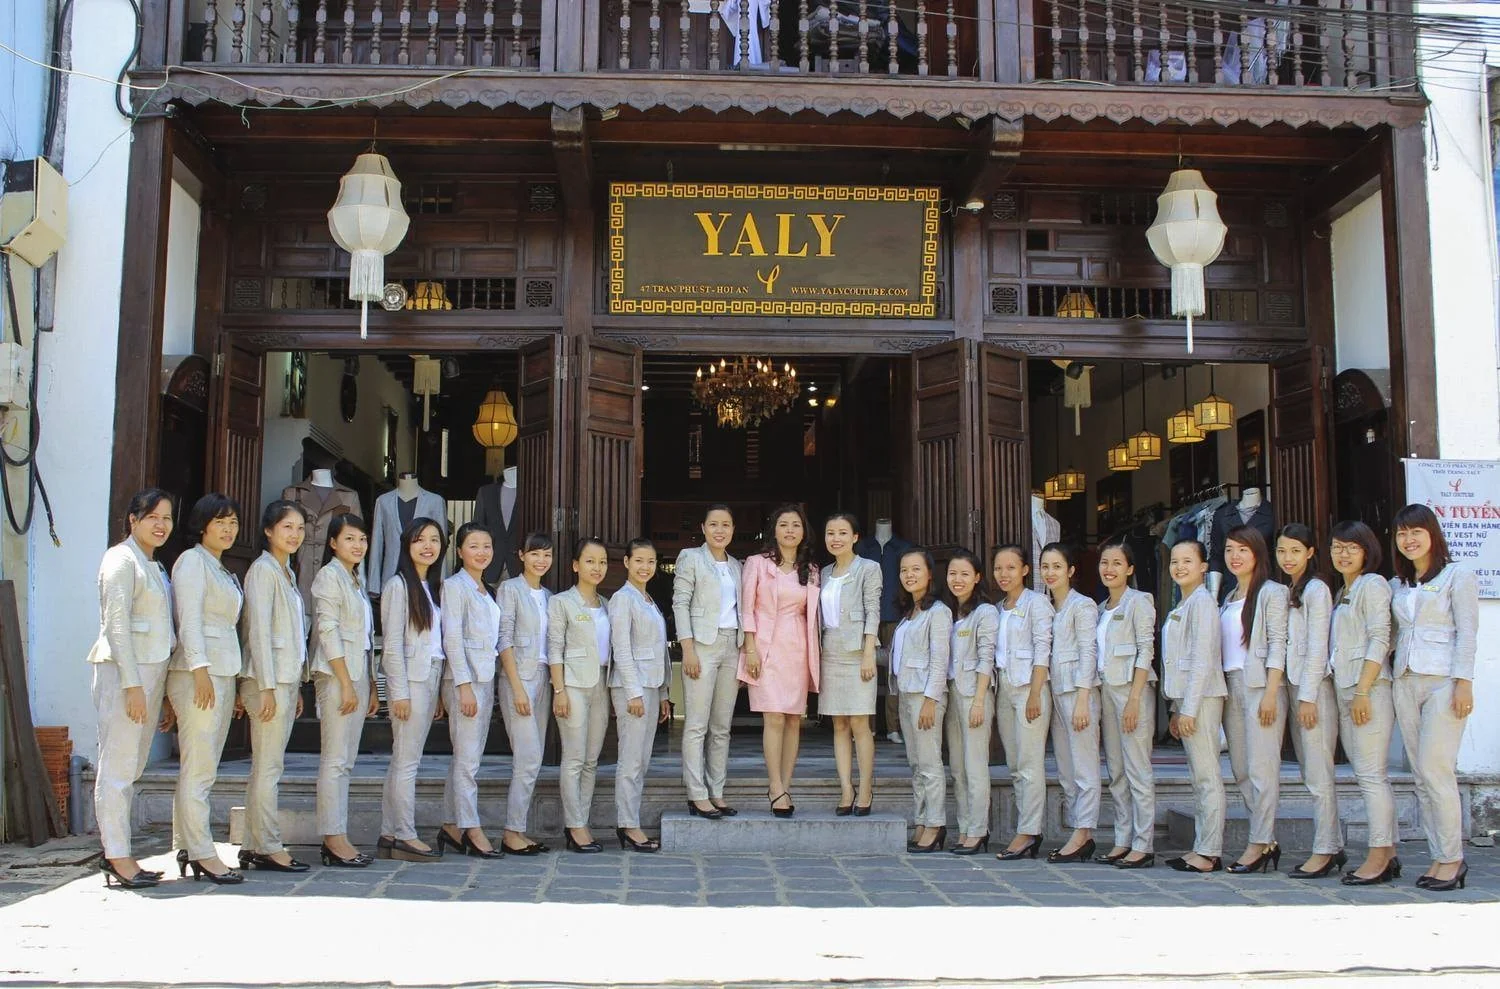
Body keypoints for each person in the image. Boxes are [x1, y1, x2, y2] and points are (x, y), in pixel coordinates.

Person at [90, 488, 177, 889]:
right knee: (118, 768)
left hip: (149, 678)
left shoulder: (155, 567)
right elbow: (117, 626)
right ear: (133, 520)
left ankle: (122, 852)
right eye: (152, 517)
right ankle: (117, 856)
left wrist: (158, 694)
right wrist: (132, 685)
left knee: (133, 766)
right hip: (126, 676)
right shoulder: (120, 559)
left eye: (167, 518)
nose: (161, 525)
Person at [1390, 504, 1479, 892]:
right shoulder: (1400, 583)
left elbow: (1467, 633)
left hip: (1443, 681)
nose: (1409, 540)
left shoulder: (1458, 575)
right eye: (1401, 534)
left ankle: (1452, 858)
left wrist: (1464, 682)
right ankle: (1438, 855)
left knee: (1436, 769)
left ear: (1432, 534)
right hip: (1405, 682)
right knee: (1421, 775)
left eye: (1416, 532)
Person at [165, 493, 245, 884]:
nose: (228, 529)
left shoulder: (221, 568)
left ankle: (185, 842)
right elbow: (189, 619)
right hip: (201, 672)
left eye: (233, 522)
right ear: (202, 525)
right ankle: (201, 852)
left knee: (202, 763)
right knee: (199, 766)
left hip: (222, 670)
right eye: (220, 522)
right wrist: (199, 669)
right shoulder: (192, 561)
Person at [237, 500, 310, 873]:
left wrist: (294, 684)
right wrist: (265, 685)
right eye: (287, 527)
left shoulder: (287, 572)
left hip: (283, 679)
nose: (295, 535)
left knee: (268, 765)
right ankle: (267, 844)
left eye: (299, 528)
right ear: (269, 531)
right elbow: (259, 633)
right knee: (268, 767)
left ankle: (253, 843)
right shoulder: (263, 571)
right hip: (267, 681)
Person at [1327, 520, 1399, 886]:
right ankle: (1389, 852)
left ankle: (1378, 855)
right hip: (1347, 688)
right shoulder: (1345, 590)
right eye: (1337, 547)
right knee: (1367, 775)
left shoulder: (1372, 585)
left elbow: (1379, 639)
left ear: (1367, 551)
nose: (1342, 553)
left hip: (1366, 690)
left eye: (1351, 547)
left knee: (1371, 776)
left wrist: (1363, 691)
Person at [739, 504, 821, 818]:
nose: (789, 530)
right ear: (774, 529)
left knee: (792, 720)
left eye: (796, 525)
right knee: (772, 717)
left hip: (798, 649)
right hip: (765, 648)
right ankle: (774, 786)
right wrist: (750, 648)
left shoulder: (810, 569)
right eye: (783, 524)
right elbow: (747, 608)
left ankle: (786, 784)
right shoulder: (757, 564)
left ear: (804, 532)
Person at [310, 512, 380, 868]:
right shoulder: (329, 577)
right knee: (335, 760)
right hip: (338, 677)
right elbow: (328, 630)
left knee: (346, 760)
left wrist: (369, 686)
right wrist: (347, 682)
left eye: (362, 539)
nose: (358, 545)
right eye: (350, 538)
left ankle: (338, 834)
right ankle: (333, 838)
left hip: (356, 676)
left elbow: (364, 640)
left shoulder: (354, 579)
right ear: (333, 543)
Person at [1219, 525, 1290, 875]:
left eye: (1243, 550)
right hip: (1231, 686)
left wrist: (1272, 693)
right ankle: (1267, 839)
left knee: (1262, 769)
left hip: (1261, 686)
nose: (1235, 556)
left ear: (1258, 553)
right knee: (1242, 769)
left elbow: (1279, 642)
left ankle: (1258, 843)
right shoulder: (1228, 597)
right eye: (1230, 549)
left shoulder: (1272, 592)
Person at [378, 517, 449, 861]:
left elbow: (434, 645)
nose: (428, 546)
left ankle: (389, 832)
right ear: (407, 545)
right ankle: (405, 833)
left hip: (428, 680)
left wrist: (435, 694)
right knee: (407, 761)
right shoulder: (398, 585)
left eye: (434, 540)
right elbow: (391, 646)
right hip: (410, 683)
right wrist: (400, 693)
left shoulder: (431, 587)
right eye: (420, 540)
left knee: (404, 759)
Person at [1275, 524, 1342, 880]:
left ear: (1311, 553)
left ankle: (1324, 849)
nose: (1288, 558)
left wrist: (1308, 696)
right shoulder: (1289, 589)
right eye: (1282, 551)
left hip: (1312, 691)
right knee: (1309, 771)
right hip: (1293, 686)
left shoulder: (1316, 590)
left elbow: (1318, 645)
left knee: (1318, 773)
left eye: (1296, 552)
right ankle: (1334, 844)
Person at [437, 523, 504, 859]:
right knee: (467, 761)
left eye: (487, 545)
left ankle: (451, 825)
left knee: (468, 756)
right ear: (460, 550)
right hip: (465, 681)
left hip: (484, 677)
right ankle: (471, 827)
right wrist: (462, 685)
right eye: (474, 546)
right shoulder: (454, 586)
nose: (482, 552)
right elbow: (451, 638)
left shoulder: (486, 589)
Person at [671, 505, 742, 819]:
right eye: (713, 524)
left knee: (721, 727)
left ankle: (717, 791)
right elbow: (680, 602)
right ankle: (696, 793)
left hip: (732, 645)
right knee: (697, 725)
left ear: (733, 529)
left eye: (725, 525)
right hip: (701, 645)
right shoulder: (691, 557)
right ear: (702, 527)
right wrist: (687, 648)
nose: (720, 530)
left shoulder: (737, 565)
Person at [1162, 540, 1227, 874]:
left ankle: (1209, 850)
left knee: (1207, 776)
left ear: (1204, 567)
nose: (1180, 567)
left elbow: (1203, 659)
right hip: (1187, 701)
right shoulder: (1183, 603)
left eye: (1188, 561)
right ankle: (1201, 846)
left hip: (1202, 699)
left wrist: (1188, 708)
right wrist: (1176, 707)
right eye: (1175, 561)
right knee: (1199, 775)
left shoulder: (1202, 603)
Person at [1094, 539, 1157, 869]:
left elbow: (1146, 650)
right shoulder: (1101, 608)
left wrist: (1135, 699)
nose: (1109, 569)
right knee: (1116, 771)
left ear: (1130, 569)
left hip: (1132, 693)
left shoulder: (1139, 602)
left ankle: (1143, 843)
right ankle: (1122, 839)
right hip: (1107, 690)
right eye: (1105, 562)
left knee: (1137, 769)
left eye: (1117, 563)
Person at [990, 543, 1054, 861]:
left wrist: (1034, 693)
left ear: (1025, 570)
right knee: (1015, 764)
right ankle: (1025, 828)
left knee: (1030, 763)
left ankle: (1029, 831)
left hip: (1031, 688)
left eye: (1011, 567)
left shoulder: (1037, 603)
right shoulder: (998, 608)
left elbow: (1043, 649)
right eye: (999, 568)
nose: (1004, 574)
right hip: (1005, 688)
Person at [549, 537, 613, 852]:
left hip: (601, 683)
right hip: (572, 685)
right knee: (574, 758)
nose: (596, 567)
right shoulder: (561, 602)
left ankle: (581, 822)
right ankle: (574, 826)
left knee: (591, 760)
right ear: (576, 565)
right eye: (589, 561)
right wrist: (559, 690)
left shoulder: (608, 605)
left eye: (601, 561)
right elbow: (554, 649)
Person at [608, 539, 672, 852]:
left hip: (650, 686)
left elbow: (657, 651)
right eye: (639, 561)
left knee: (641, 759)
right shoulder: (623, 599)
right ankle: (628, 825)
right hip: (631, 689)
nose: (645, 567)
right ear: (627, 563)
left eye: (651, 561)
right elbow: (621, 648)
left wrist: (662, 694)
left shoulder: (648, 600)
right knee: (631, 759)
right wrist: (634, 692)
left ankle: (630, 821)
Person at [1039, 542, 1100, 864]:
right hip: (1055, 694)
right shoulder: (1046, 607)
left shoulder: (1083, 606)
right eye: (1045, 567)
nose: (1050, 573)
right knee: (1065, 766)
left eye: (1057, 567)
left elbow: (1089, 652)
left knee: (1084, 766)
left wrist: (1083, 698)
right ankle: (1079, 830)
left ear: (1071, 571)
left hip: (1078, 695)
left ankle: (1083, 831)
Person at [496, 532, 555, 853]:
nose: (541, 560)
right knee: (529, 756)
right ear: (522, 555)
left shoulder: (549, 596)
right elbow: (503, 638)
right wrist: (516, 685)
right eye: (535, 554)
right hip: (518, 679)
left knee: (532, 758)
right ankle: (511, 831)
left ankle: (517, 829)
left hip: (543, 679)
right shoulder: (510, 589)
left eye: (547, 555)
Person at [819, 513, 881, 816]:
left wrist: (869, 651)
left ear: (855, 537)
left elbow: (873, 610)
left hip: (858, 652)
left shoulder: (869, 568)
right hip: (829, 653)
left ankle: (866, 787)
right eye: (831, 533)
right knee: (839, 724)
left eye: (843, 533)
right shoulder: (823, 573)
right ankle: (846, 788)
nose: (836, 538)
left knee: (860, 724)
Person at [891, 548, 952, 853]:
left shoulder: (938, 612)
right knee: (916, 763)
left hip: (925, 697)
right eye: (904, 570)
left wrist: (931, 699)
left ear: (930, 574)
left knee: (929, 763)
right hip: (907, 694)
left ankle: (935, 824)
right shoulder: (910, 612)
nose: (909, 575)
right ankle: (921, 821)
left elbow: (940, 661)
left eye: (916, 569)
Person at [943, 550, 997, 854]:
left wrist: (979, 700)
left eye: (965, 574)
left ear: (977, 577)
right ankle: (965, 828)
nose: (958, 580)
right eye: (953, 573)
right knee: (958, 767)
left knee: (975, 766)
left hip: (974, 696)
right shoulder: (949, 612)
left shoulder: (985, 613)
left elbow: (986, 658)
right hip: (953, 694)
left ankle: (978, 830)